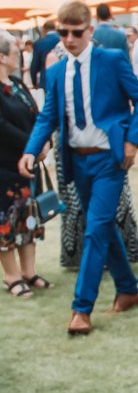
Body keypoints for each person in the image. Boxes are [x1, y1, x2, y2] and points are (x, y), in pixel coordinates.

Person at [18, 0, 138, 336]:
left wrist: (133, 142)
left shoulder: (112, 59)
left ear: (89, 31)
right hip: (77, 161)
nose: (70, 38)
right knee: (102, 226)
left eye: (76, 32)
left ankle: (81, 309)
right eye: (63, 32)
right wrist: (31, 151)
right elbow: (48, 117)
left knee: (94, 229)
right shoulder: (55, 72)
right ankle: (129, 289)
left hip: (110, 159)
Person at [0, 31, 49, 296]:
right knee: (6, 222)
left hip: (27, 165)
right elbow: (2, 126)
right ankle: (11, 276)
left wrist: (43, 143)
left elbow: (38, 116)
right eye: (14, 52)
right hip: (5, 166)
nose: (18, 57)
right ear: (1, 57)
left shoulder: (17, 83)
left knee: (28, 220)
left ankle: (29, 271)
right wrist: (31, 145)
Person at [29, 19, 60, 88]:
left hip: (46, 79)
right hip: (63, 77)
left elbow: (34, 65)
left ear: (44, 29)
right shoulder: (62, 40)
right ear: (55, 28)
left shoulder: (39, 43)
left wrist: (34, 83)